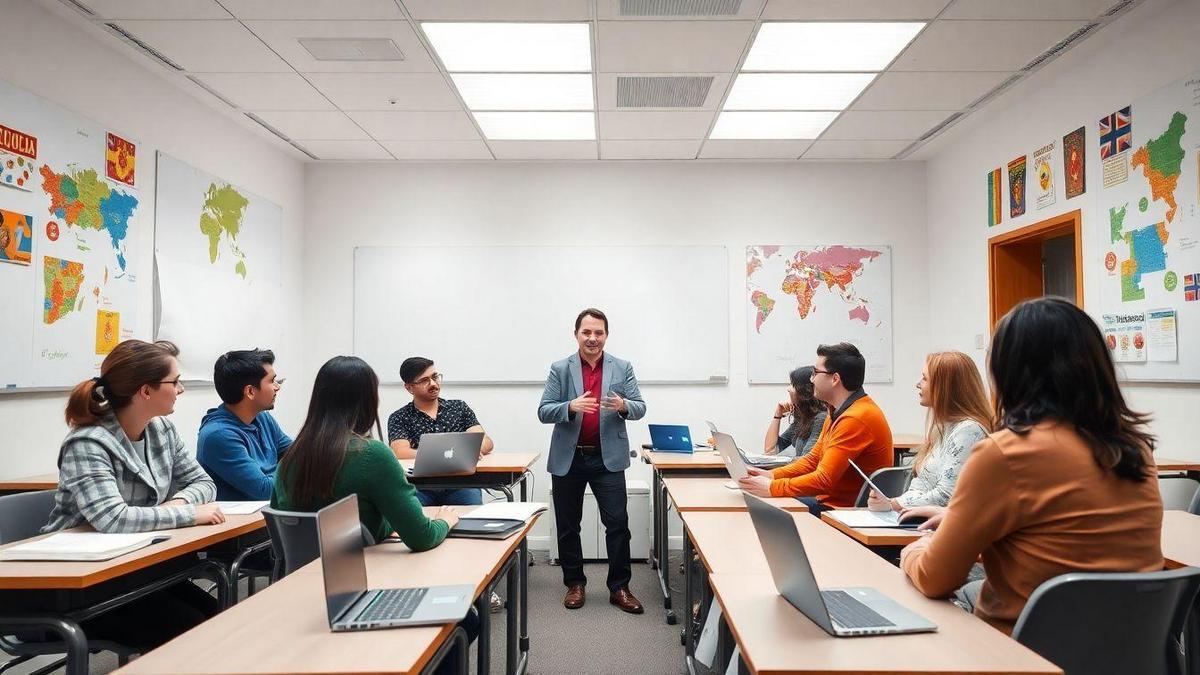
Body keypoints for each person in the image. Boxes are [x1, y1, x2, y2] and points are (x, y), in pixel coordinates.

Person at [900, 298, 1163, 635]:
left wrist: (914, 549)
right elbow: (1062, 530)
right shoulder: (1135, 448)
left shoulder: (1003, 453)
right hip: (1129, 647)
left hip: (1029, 650)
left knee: (918, 597)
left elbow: (934, 577)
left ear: (1007, 372)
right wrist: (958, 518)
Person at [272, 356, 473, 671]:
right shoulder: (371, 455)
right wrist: (443, 522)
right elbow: (421, 537)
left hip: (297, 594)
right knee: (467, 617)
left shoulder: (290, 458)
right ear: (367, 400)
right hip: (364, 587)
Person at [42, 339, 223, 652]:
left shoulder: (162, 430)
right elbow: (113, 518)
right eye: (175, 382)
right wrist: (190, 513)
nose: (181, 389)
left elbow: (204, 483)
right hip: (79, 588)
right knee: (196, 638)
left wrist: (176, 503)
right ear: (146, 390)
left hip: (135, 570)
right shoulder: (88, 443)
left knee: (220, 623)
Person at [538, 308, 647, 613]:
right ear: (576, 335)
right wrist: (569, 406)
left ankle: (620, 588)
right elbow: (544, 410)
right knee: (568, 526)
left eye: (598, 332)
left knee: (617, 524)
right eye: (586, 332)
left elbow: (640, 407)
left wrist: (625, 405)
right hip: (568, 459)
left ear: (606, 335)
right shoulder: (560, 369)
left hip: (607, 459)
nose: (592, 338)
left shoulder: (622, 367)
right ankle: (575, 584)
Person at [738, 342, 892, 513]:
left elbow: (823, 479)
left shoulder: (856, 417)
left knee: (761, 508)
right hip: (828, 502)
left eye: (815, 373)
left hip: (842, 511)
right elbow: (812, 461)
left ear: (835, 379)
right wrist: (772, 475)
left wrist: (773, 487)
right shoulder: (836, 411)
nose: (811, 379)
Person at [867, 351, 990, 511]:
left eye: (924, 378)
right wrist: (891, 503)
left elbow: (946, 496)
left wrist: (893, 505)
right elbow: (921, 485)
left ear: (944, 387)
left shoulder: (969, 431)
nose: (918, 384)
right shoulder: (943, 429)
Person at [387, 356, 494, 506]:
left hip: (460, 484)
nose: (433, 383)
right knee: (413, 515)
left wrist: (469, 451)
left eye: (435, 377)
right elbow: (400, 452)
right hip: (419, 487)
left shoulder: (459, 408)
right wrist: (444, 455)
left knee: (472, 515)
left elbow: (486, 442)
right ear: (409, 387)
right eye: (424, 380)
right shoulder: (400, 417)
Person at [197, 348, 292, 501]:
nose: (277, 387)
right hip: (244, 523)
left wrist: (295, 464)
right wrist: (293, 467)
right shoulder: (218, 435)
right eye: (271, 381)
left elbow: (299, 455)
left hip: (267, 515)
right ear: (250, 391)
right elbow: (266, 490)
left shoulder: (263, 418)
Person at [763, 365, 827, 458]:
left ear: (804, 391)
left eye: (793, 385)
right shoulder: (803, 418)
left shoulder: (821, 418)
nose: (788, 389)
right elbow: (771, 451)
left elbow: (807, 460)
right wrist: (778, 415)